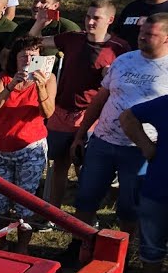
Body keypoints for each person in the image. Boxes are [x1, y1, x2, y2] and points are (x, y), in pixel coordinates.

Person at [71, 13, 168, 238]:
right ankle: (79, 244)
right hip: (103, 140)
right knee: (86, 197)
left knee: (130, 206)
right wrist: (81, 133)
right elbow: (101, 97)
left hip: (141, 149)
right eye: (141, 33)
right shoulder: (124, 59)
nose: (141, 38)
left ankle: (123, 253)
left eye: (150, 35)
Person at [32, 0, 129, 217]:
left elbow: (125, 84)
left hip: (92, 115)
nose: (90, 22)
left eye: (96, 18)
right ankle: (53, 215)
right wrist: (39, 23)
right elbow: (33, 43)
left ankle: (85, 218)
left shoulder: (119, 48)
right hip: (61, 111)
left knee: (85, 167)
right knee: (58, 165)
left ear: (110, 20)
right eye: (87, 16)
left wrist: (110, 76)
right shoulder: (73, 39)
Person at [0, 35, 54, 253]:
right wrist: (11, 86)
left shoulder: (49, 79)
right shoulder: (4, 78)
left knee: (25, 202)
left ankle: (23, 247)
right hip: (0, 148)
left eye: (33, 56)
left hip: (30, 148)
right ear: (15, 59)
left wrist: (41, 88)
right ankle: (0, 241)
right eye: (23, 56)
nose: (27, 60)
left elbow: (48, 112)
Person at [122, 92, 168, 273]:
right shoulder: (166, 103)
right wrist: (146, 146)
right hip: (160, 183)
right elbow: (128, 117)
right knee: (152, 237)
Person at [13, 0, 79, 57]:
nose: (37, 5)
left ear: (55, 6)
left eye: (43, 2)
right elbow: (6, 55)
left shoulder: (67, 28)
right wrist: (38, 23)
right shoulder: (22, 28)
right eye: (35, 1)